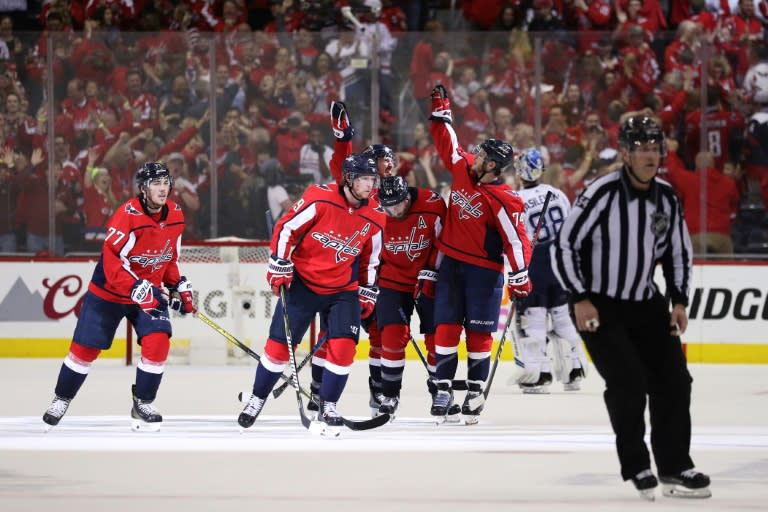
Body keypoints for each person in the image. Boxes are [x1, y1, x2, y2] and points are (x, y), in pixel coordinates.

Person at [552, 115, 711, 500]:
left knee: (674, 382)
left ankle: (674, 467)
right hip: (601, 307)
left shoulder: (667, 197)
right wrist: (580, 298)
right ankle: (637, 465)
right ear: (624, 153)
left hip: (646, 303)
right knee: (628, 384)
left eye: (655, 147)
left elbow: (678, 252)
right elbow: (565, 245)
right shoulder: (602, 192)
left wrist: (678, 300)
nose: (650, 154)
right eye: (641, 148)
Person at [42, 162, 194, 432]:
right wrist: (136, 287)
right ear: (144, 188)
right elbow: (112, 263)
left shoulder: (176, 215)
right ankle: (61, 398)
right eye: (156, 183)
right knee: (84, 351)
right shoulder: (127, 215)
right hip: (109, 293)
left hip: (148, 291)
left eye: (165, 183)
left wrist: (177, 284)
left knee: (158, 342)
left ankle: (143, 402)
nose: (162, 188)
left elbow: (168, 257)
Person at [238, 152, 385, 430]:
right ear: (350, 179)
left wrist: (367, 289)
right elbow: (285, 229)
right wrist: (280, 263)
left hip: (343, 291)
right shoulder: (319, 197)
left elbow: (371, 258)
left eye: (373, 178)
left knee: (343, 349)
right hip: (303, 284)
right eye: (365, 178)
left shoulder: (376, 215)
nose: (370, 185)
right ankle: (257, 398)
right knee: (279, 349)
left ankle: (328, 405)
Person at [428, 84, 532, 423]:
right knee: (444, 326)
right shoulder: (463, 167)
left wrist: (520, 275)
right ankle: (442, 388)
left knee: (478, 333)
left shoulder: (504, 198)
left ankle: (474, 392)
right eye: (480, 153)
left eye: (485, 158)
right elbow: (449, 144)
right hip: (451, 263)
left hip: (484, 273)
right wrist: (441, 114)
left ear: (495, 168)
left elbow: (517, 241)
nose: (478, 158)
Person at [511, 147, 588, 393]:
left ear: (519, 173)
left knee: (532, 320)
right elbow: (570, 228)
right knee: (562, 318)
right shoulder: (557, 194)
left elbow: (514, 238)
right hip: (559, 263)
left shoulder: (516, 199)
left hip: (534, 265)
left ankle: (539, 376)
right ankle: (573, 371)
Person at [374, 175, 446, 417]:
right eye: (388, 207)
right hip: (392, 280)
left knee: (437, 337)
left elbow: (444, 241)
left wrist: (433, 271)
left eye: (399, 205)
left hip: (428, 278)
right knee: (392, 337)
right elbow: (369, 244)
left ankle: (440, 390)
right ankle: (390, 394)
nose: (394, 211)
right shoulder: (374, 209)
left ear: (408, 197)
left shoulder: (432, 205)